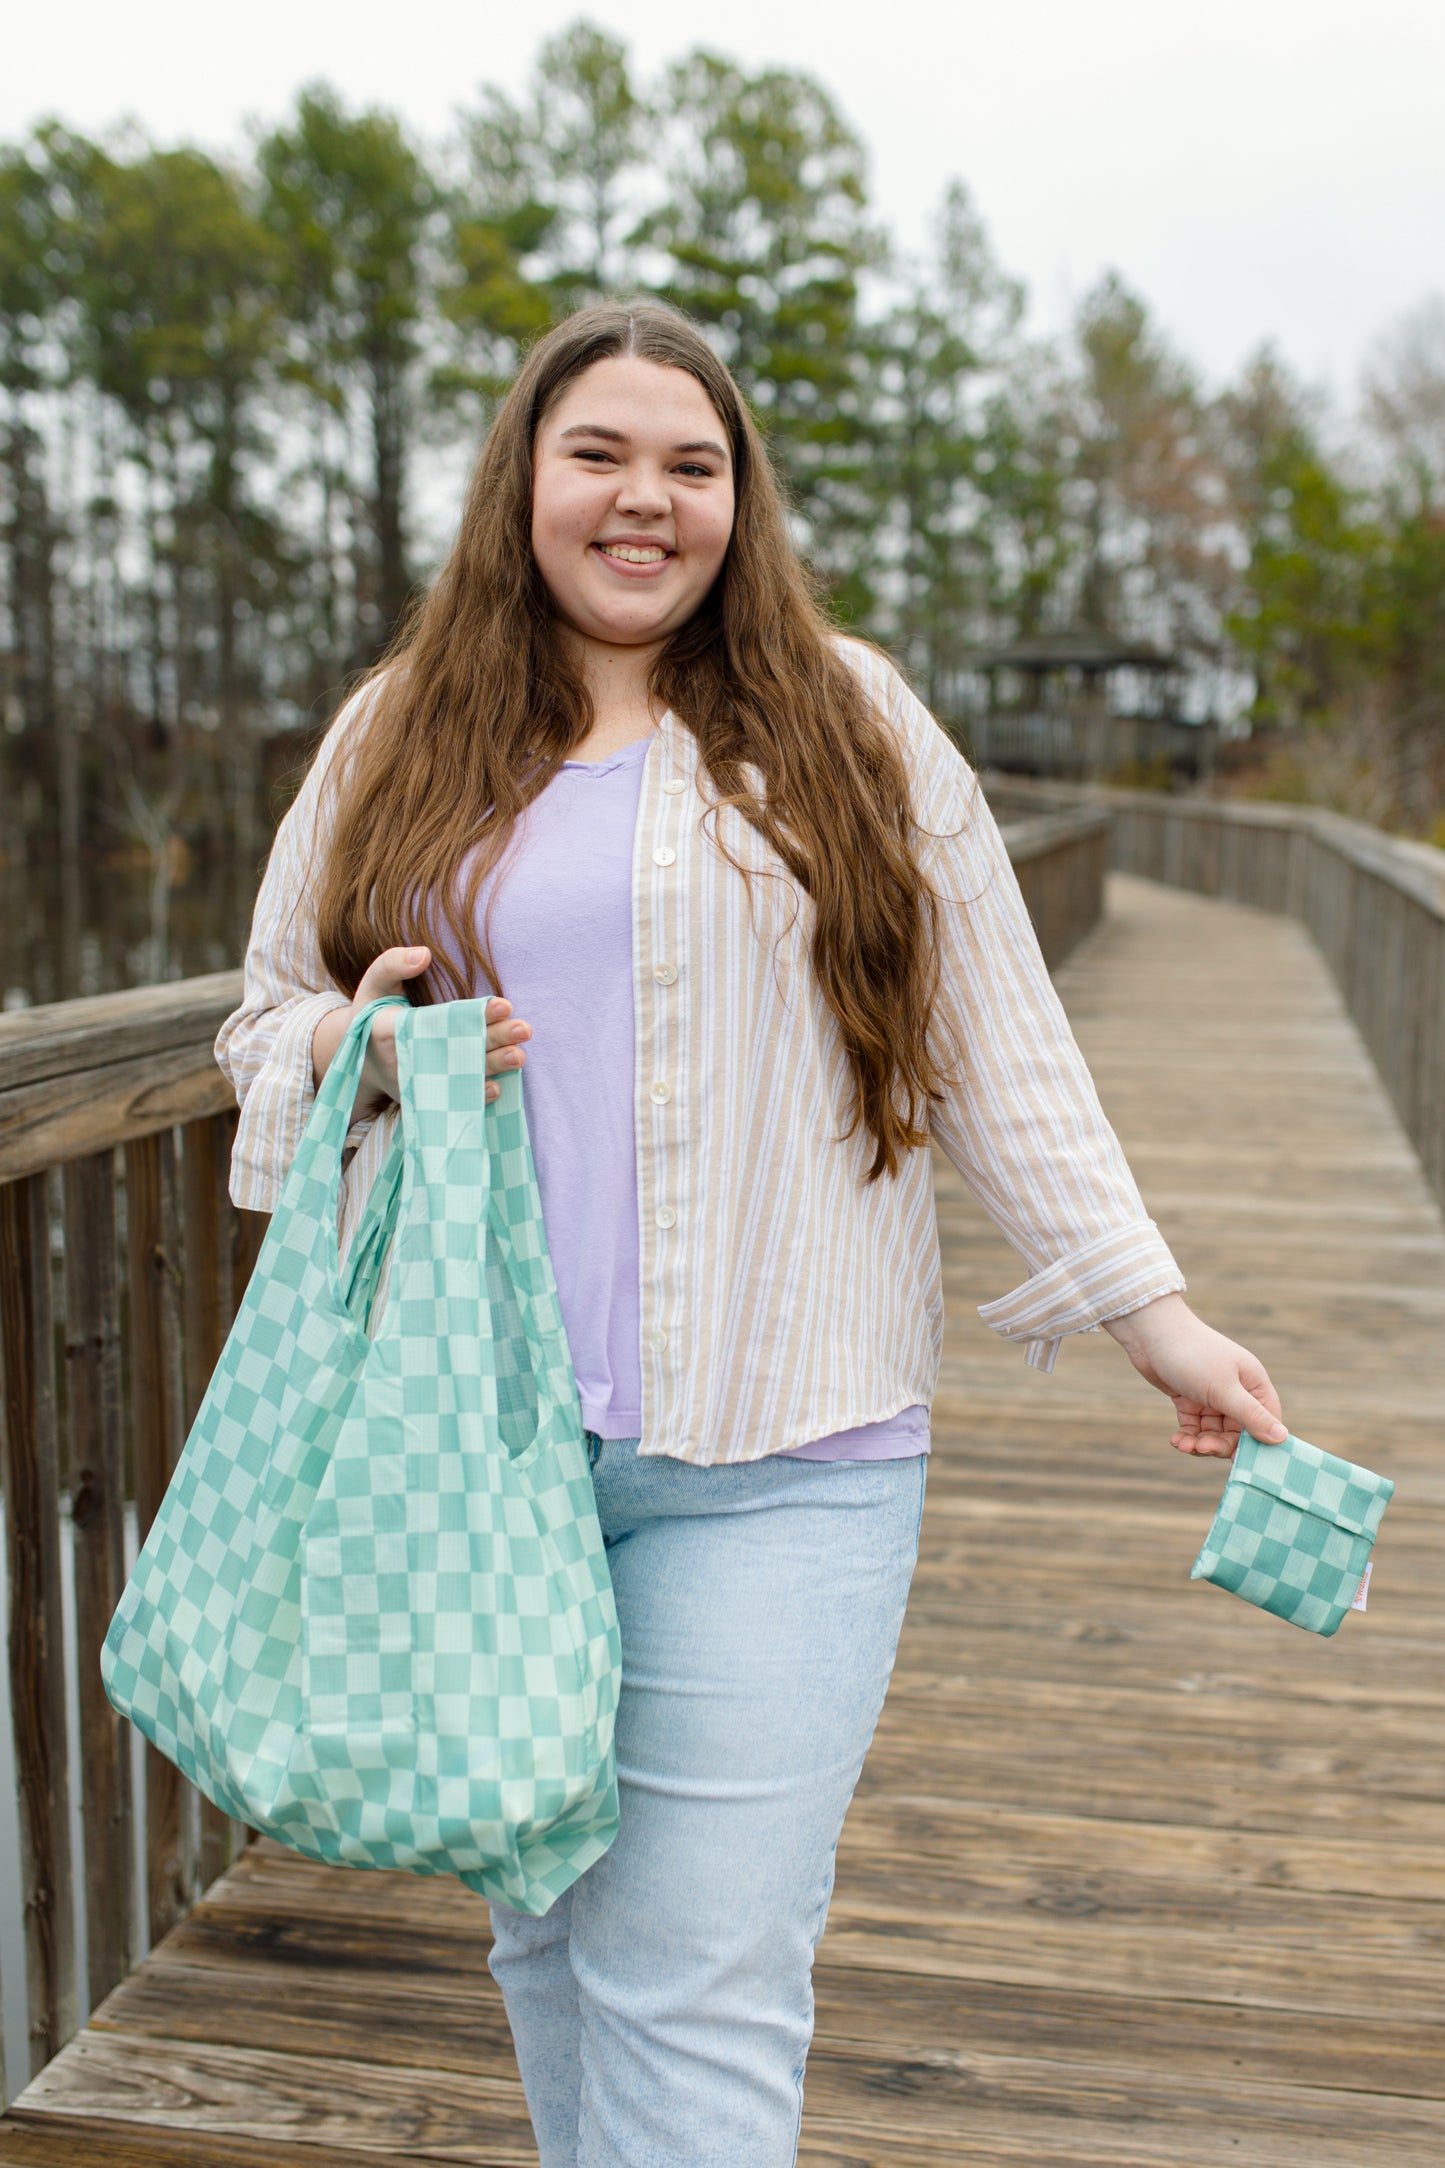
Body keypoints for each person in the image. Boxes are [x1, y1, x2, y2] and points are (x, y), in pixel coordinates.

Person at [217, 301, 1287, 2168]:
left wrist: (1157, 1320)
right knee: (547, 1936)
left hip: (788, 1452)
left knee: (695, 1973)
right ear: (523, 486)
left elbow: (996, 1049)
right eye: (601, 457)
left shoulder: (848, 716)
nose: (647, 502)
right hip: (479, 1453)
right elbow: (254, 1027)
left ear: (738, 501)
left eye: (690, 467)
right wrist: (349, 1037)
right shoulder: (399, 732)